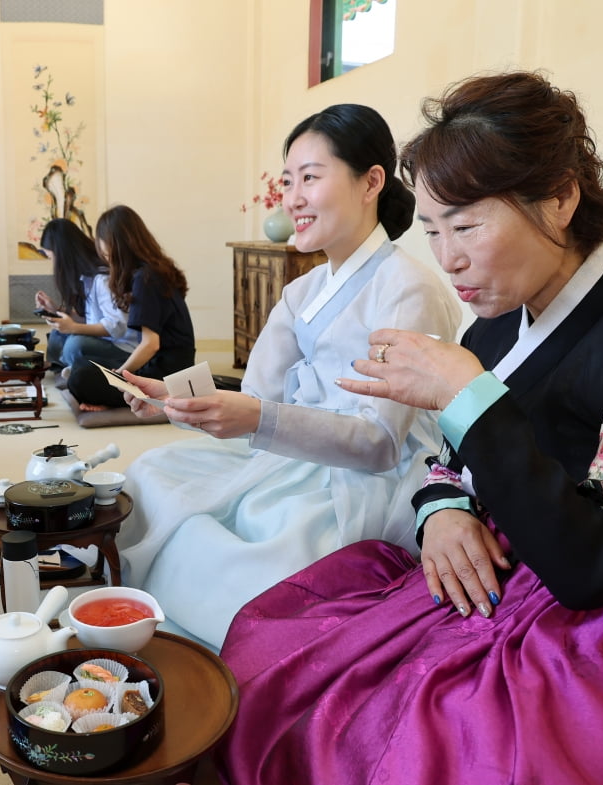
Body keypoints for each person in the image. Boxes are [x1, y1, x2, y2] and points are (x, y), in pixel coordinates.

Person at [217, 71, 603, 785]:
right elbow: (444, 455)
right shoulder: (496, 322)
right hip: (504, 565)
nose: (448, 258)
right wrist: (444, 511)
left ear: (558, 198)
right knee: (273, 665)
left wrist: (468, 396)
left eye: (465, 225)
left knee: (427, 744)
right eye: (431, 230)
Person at [113, 104, 461, 650]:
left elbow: (379, 441)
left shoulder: (407, 287)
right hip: (290, 450)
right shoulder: (301, 291)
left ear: (371, 182)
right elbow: (256, 400)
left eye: (310, 178)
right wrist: (173, 398)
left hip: (363, 475)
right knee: (153, 473)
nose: (293, 197)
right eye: (287, 181)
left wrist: (256, 419)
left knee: (248, 545)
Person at [65, 205, 195, 410]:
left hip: (167, 374)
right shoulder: (154, 270)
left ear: (118, 246)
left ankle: (118, 398)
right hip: (171, 366)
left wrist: (119, 376)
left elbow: (151, 344)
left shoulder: (146, 278)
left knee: (80, 378)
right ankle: (113, 395)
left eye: (107, 255)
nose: (107, 260)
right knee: (84, 364)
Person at [34, 217, 138, 372]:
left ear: (62, 255)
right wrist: (57, 311)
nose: (53, 264)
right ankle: (66, 370)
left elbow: (116, 327)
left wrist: (74, 328)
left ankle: (70, 371)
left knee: (75, 344)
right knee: (58, 334)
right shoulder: (87, 277)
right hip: (106, 341)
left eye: (51, 257)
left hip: (123, 348)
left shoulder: (102, 279)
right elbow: (91, 320)